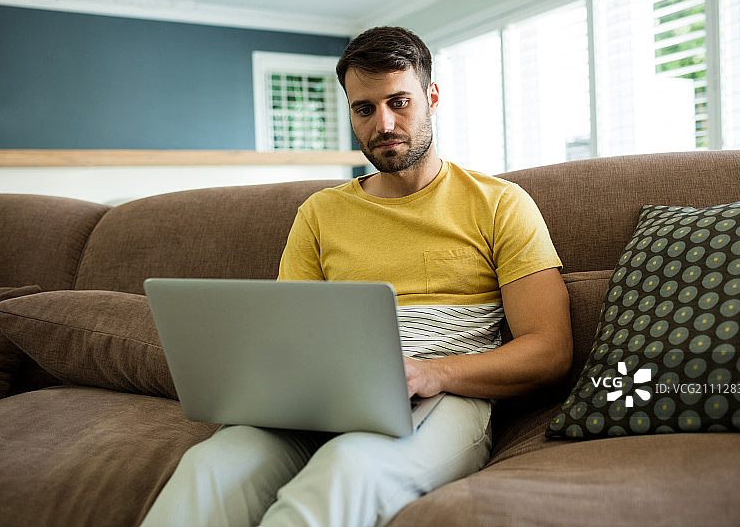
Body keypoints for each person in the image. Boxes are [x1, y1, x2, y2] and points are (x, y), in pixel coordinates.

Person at [141, 26, 572, 527]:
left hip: (445, 391)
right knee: (209, 467)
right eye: (364, 109)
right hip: (324, 396)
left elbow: (550, 349)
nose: (383, 123)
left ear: (431, 97)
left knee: (347, 469)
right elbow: (290, 333)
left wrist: (435, 372)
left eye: (399, 101)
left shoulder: (500, 203)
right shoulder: (320, 213)